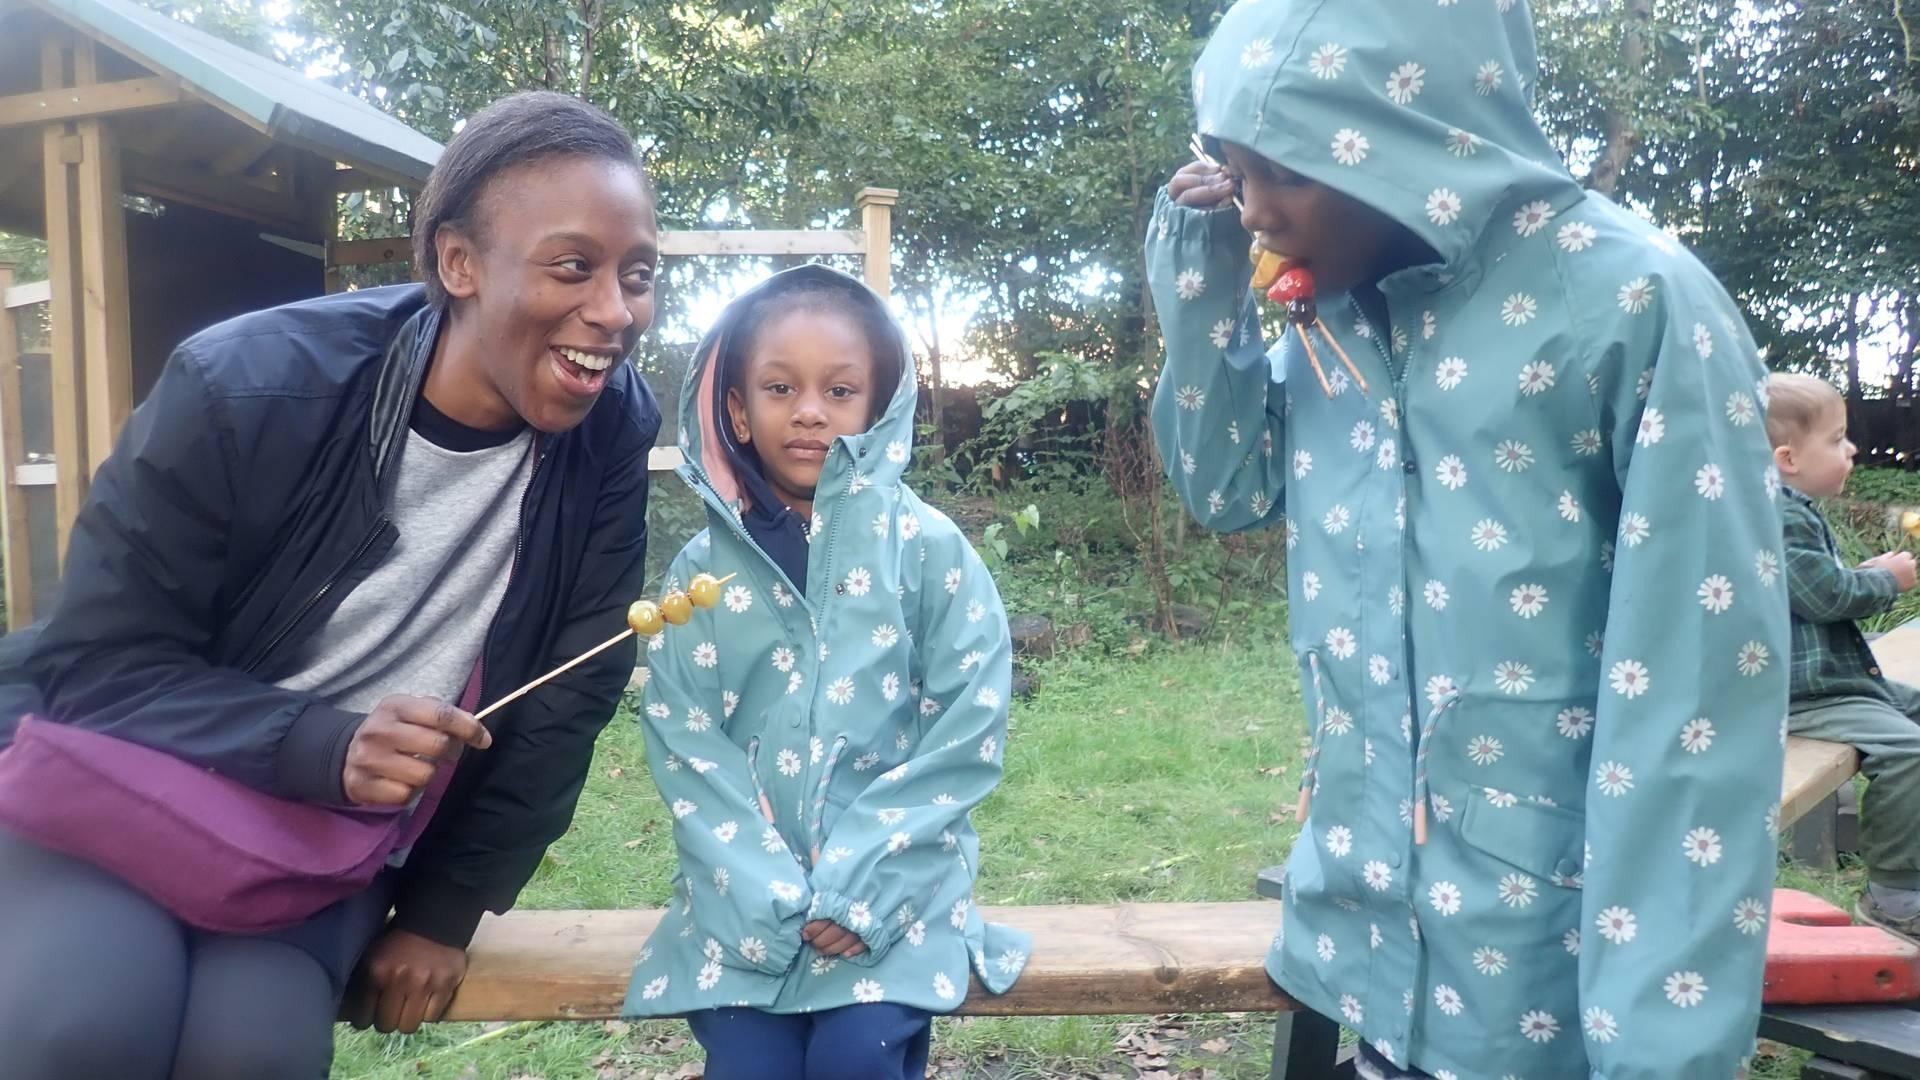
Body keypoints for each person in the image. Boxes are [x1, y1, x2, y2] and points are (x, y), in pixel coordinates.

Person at [1145, 1, 1789, 1076]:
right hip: (1366, 958)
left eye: (1283, 171)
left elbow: (1693, 704)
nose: (1253, 209)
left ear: (1413, 136)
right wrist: (1202, 270)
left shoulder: (1633, 304)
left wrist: (1659, 1053)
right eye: (1232, 167)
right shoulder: (1335, 309)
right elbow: (1224, 487)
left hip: (1547, 988)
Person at [0, 90, 661, 1079]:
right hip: (130, 785)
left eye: (637, 274)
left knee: (252, 1052)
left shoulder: (610, 430)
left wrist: (442, 912)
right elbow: (97, 666)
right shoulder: (247, 387)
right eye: (575, 266)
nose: (613, 312)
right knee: (84, 1025)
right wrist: (322, 743)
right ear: (458, 262)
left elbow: (569, 694)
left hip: (327, 844)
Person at [619, 265, 1029, 1079]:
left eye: (839, 391)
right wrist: (762, 887)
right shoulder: (699, 581)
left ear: (877, 408)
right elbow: (687, 745)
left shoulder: (929, 554)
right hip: (742, 901)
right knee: (748, 1065)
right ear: (736, 407)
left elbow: (965, 731)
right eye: (779, 387)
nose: (809, 411)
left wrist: (863, 883)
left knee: (855, 1057)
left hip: (894, 889)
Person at [1767, 372, 1920, 940]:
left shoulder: (1792, 508)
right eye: (1836, 439)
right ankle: (1894, 896)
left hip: (1838, 681)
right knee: (1907, 750)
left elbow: (1806, 591)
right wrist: (1884, 582)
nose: (1852, 449)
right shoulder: (1781, 515)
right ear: (1788, 457)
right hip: (1806, 694)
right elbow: (1825, 597)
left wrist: (1861, 573)